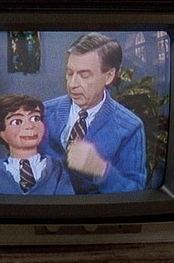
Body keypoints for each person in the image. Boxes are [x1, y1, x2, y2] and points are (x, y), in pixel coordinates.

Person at [41, 32, 146, 194]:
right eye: (70, 73)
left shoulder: (131, 127)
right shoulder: (44, 113)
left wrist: (101, 169)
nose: (72, 84)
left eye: (84, 75)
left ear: (109, 76)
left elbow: (135, 191)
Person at [0, 94, 75, 195]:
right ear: (0, 132)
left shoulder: (57, 168)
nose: (30, 126)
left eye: (35, 118)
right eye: (17, 122)